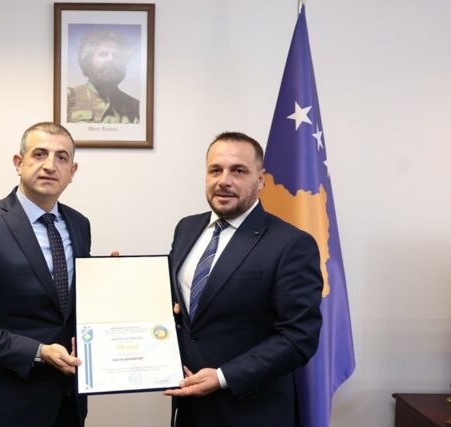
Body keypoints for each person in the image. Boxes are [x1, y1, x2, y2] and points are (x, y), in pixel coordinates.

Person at [164, 132, 323, 426]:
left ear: (260, 180)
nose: (224, 180)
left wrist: (223, 377)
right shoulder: (186, 228)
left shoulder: (291, 244)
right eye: (215, 170)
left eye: (238, 171)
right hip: (188, 408)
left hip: (251, 412)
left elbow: (299, 337)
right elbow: (177, 303)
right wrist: (123, 278)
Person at [0, 122, 90, 427]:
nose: (50, 165)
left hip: (67, 404)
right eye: (39, 154)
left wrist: (112, 283)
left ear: (73, 171)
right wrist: (38, 351)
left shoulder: (79, 224)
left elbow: (71, 306)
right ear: (18, 163)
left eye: (62, 157)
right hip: (6, 407)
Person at [67, 28, 140, 124]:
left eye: (116, 56)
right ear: (88, 61)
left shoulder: (135, 107)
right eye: (103, 54)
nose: (111, 59)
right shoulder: (68, 98)